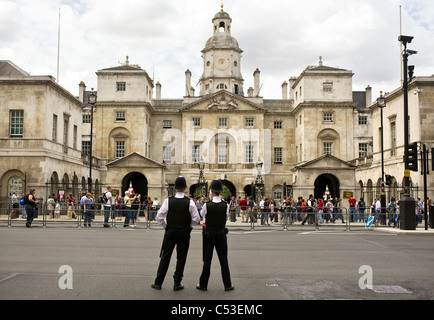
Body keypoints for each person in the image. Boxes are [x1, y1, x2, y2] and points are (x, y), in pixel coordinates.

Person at [151, 176, 200, 291]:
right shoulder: (190, 202)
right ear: (185, 188)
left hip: (171, 231)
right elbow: (196, 219)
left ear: (175, 188)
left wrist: (166, 226)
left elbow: (159, 217)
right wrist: (189, 227)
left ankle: (158, 282)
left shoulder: (168, 200)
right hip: (184, 231)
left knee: (165, 256)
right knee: (181, 258)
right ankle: (177, 282)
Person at [196, 179, 234, 292]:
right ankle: (227, 284)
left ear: (211, 191)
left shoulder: (207, 205)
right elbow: (226, 217)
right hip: (221, 233)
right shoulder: (225, 205)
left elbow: (202, 215)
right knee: (223, 260)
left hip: (209, 234)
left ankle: (203, 284)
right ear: (220, 191)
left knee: (207, 260)